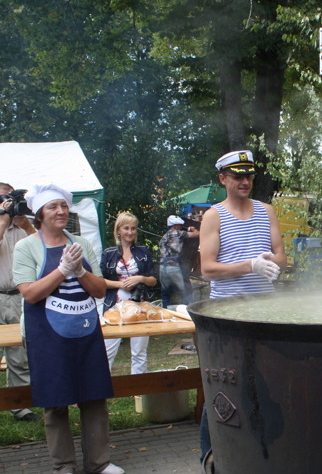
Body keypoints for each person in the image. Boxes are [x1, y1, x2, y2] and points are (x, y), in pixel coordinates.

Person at [13, 183, 123, 474]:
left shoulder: (81, 243)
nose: (61, 211)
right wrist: (61, 271)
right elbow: (30, 294)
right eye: (53, 207)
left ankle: (99, 463)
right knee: (55, 401)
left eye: (63, 206)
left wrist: (80, 271)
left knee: (94, 396)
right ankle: (64, 466)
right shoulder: (26, 247)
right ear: (39, 214)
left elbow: (99, 290)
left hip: (85, 330)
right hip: (45, 335)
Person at [198, 149, 288, 464]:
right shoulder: (214, 215)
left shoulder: (267, 211)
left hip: (264, 310)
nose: (245, 181)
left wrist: (271, 263)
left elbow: (281, 256)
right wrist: (250, 265)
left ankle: (257, 448)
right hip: (228, 315)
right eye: (237, 176)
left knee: (262, 379)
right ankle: (210, 455)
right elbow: (208, 268)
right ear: (223, 178)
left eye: (248, 175)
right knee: (223, 383)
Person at [0, 182, 39, 422]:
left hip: (18, 296)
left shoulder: (25, 225)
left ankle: (20, 406)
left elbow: (44, 249)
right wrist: (3, 221)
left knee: (18, 353)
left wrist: (25, 224)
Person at [100, 212, 158, 374]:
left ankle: (139, 393)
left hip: (139, 305)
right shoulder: (109, 253)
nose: (130, 232)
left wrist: (140, 278)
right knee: (107, 350)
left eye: (133, 228)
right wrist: (121, 284)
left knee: (139, 351)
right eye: (126, 228)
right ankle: (102, 390)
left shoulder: (143, 252)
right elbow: (99, 281)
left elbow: (154, 280)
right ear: (118, 230)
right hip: (114, 305)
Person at [159, 215, 199, 307]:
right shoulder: (178, 233)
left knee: (165, 292)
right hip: (174, 266)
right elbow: (197, 233)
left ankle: (165, 310)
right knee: (185, 290)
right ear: (175, 225)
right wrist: (191, 228)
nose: (181, 227)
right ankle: (188, 309)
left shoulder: (164, 236)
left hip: (162, 266)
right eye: (180, 225)